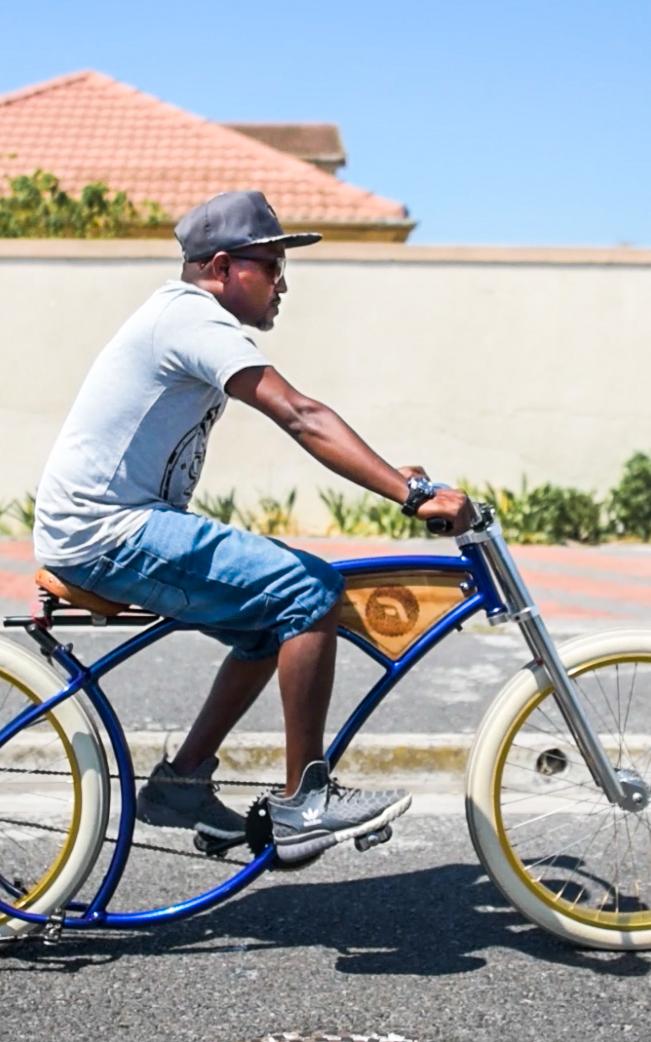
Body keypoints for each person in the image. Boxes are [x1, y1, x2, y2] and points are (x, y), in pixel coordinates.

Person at [33, 190, 472, 864]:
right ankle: (306, 802)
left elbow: (306, 419)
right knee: (308, 591)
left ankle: (182, 782)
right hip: (108, 531)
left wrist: (389, 472)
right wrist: (407, 492)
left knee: (270, 623)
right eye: (270, 265)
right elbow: (299, 415)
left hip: (110, 526)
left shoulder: (183, 318)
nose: (282, 284)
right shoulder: (191, 320)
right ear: (220, 267)